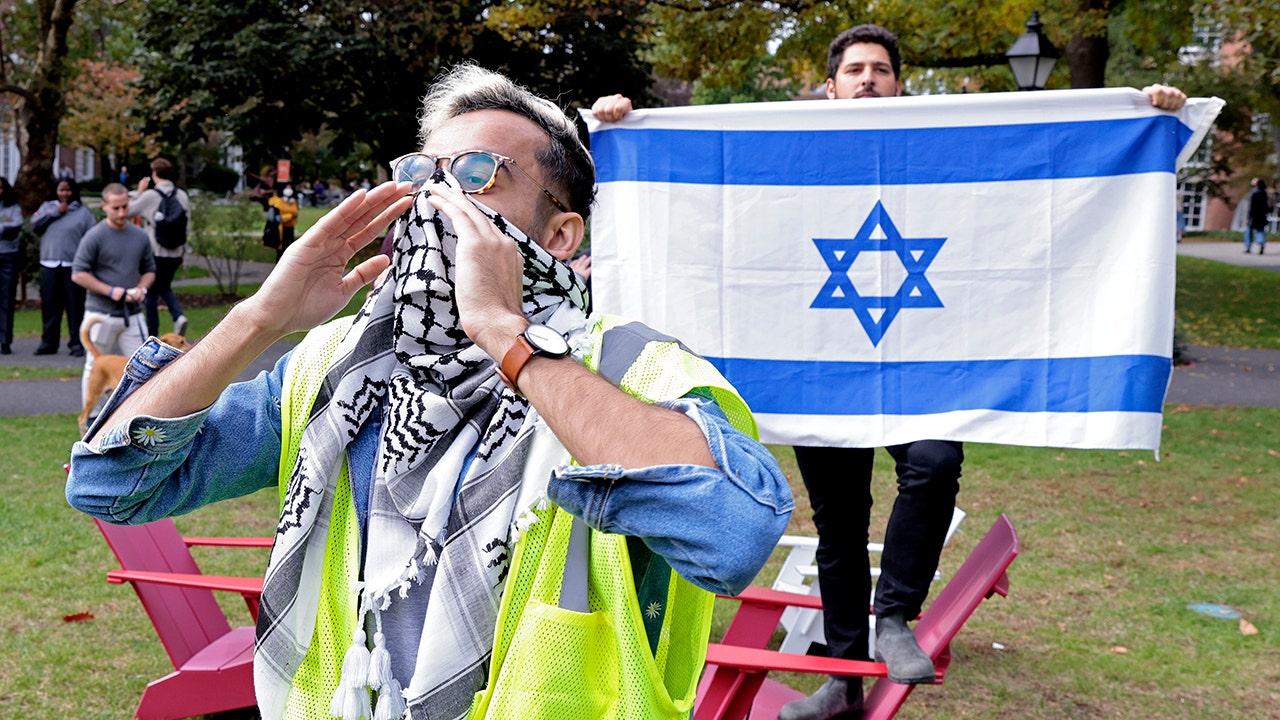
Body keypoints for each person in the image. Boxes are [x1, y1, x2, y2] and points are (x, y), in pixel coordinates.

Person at [66, 64, 792, 720]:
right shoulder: (340, 366)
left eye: (478, 174)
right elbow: (110, 483)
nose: (435, 199)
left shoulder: (637, 370)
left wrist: (506, 334)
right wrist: (261, 319)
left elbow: (732, 535)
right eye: (422, 172)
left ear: (562, 234)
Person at [592, 24, 1189, 720]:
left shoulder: (933, 145)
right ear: (830, 86)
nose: (868, 78)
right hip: (821, 364)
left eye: (880, 68)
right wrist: (621, 127)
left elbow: (1025, 177)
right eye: (855, 69)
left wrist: (1147, 115)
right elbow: (722, 214)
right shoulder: (792, 156)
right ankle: (843, 683)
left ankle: (895, 616)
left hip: (923, 363)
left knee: (934, 462)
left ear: (900, 85)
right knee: (840, 526)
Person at [71, 182, 155, 413]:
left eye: (125, 207)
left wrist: (142, 288)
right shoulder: (95, 236)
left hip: (133, 315)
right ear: (104, 206)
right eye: (116, 208)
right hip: (101, 313)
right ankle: (93, 419)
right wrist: (110, 290)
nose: (122, 213)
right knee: (94, 365)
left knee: (142, 366)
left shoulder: (139, 236)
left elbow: (150, 270)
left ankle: (140, 415)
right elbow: (78, 274)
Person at [32, 178, 96, 357]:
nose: (64, 193)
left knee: (75, 307)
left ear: (73, 191)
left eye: (68, 190)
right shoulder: (47, 207)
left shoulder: (83, 212)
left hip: (73, 267)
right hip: (49, 264)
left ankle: (77, 344)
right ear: (55, 191)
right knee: (50, 307)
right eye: (61, 190)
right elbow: (34, 226)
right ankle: (48, 343)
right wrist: (55, 212)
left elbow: (91, 238)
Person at [131, 158, 192, 337]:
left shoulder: (150, 196)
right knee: (164, 287)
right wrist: (184, 250)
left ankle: (152, 334)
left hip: (154, 251)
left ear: (154, 174)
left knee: (151, 292)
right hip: (175, 252)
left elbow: (128, 210)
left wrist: (139, 192)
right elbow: (187, 224)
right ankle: (178, 316)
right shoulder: (182, 195)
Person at [0, 177, 23, 355]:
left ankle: (5, 341)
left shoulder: (13, 208)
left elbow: (14, 229)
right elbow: (6, 229)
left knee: (6, 301)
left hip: (8, 258)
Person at [266, 183, 300, 259]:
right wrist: (290, 216)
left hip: (290, 228)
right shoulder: (278, 202)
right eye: (287, 187)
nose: (288, 190)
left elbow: (296, 213)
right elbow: (277, 218)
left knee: (289, 247)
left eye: (290, 188)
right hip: (281, 229)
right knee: (281, 249)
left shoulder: (294, 202)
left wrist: (291, 215)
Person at [1244, 177, 1271, 254]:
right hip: (1262, 216)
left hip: (1253, 216)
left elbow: (1251, 206)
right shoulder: (1264, 193)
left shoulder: (1253, 193)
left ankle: (1248, 247)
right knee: (1260, 231)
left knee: (1249, 231)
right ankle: (1261, 244)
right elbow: (1268, 206)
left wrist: (1248, 217)